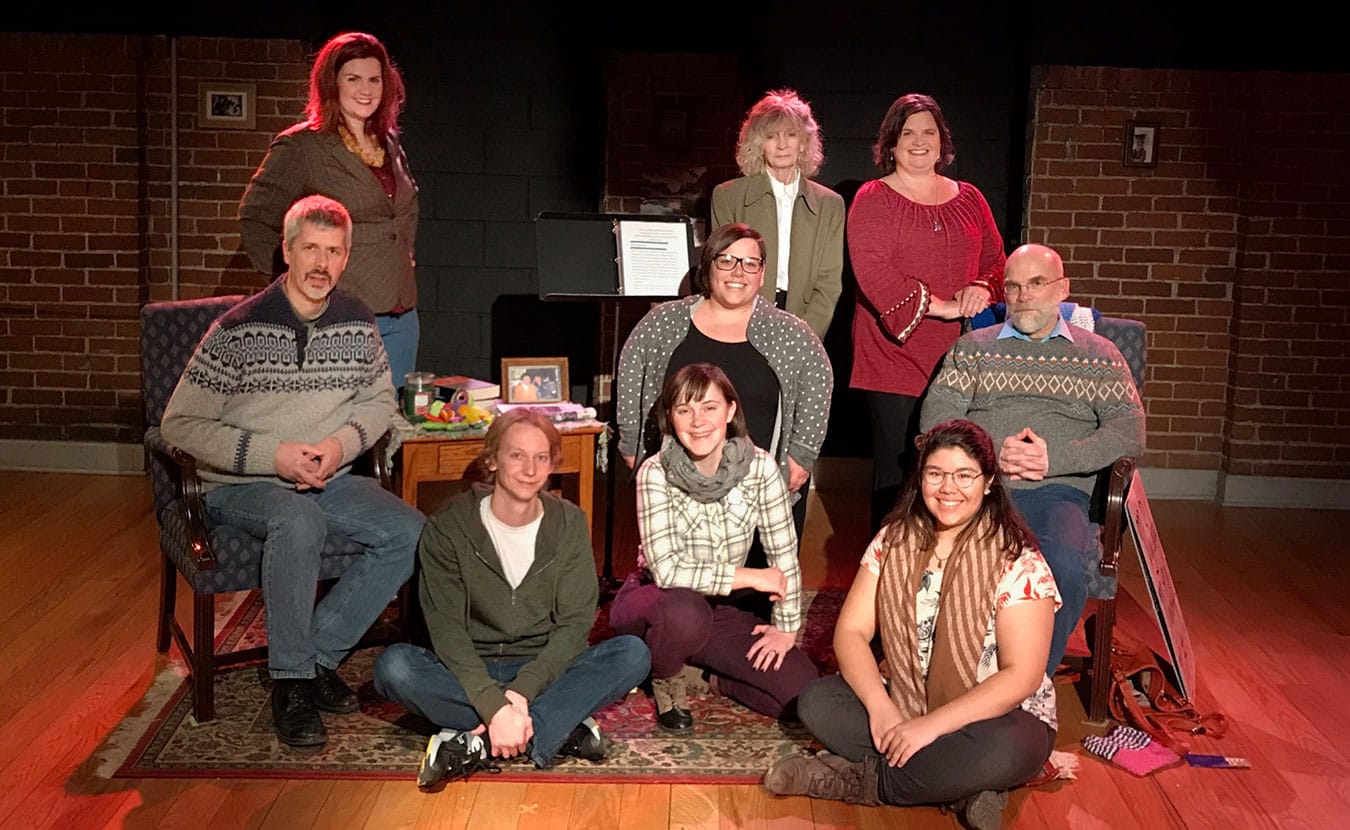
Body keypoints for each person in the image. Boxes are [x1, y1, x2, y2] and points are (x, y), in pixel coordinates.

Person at [161, 195, 424, 748]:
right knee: (298, 519)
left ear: (347, 258)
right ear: (287, 250)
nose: (321, 264)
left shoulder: (356, 320)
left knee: (409, 532)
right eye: (310, 249)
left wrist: (339, 443)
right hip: (240, 485)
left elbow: (380, 402)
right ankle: (290, 684)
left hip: (328, 476)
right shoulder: (238, 329)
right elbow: (178, 424)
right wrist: (271, 455)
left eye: (334, 251)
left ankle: (314, 658)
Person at [763, 420, 1059, 830]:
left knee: (1009, 748)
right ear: (921, 478)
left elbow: (1021, 676)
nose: (948, 488)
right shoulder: (893, 542)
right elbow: (850, 633)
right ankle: (967, 787)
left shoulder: (1018, 560)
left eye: (964, 475)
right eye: (935, 474)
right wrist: (883, 710)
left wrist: (929, 727)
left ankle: (855, 781)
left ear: (989, 482)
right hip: (906, 699)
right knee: (816, 702)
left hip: (997, 718)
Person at [373, 409, 650, 787]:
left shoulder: (567, 523)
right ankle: (553, 727)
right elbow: (447, 630)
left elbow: (574, 626)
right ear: (492, 459)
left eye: (541, 458)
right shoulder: (449, 526)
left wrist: (521, 692)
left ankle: (473, 741)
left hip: (543, 669)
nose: (530, 469)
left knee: (633, 654)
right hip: (468, 668)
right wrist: (494, 704)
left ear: (553, 464)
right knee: (394, 668)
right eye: (516, 455)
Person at [919, 243, 1146, 676]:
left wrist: (1054, 458)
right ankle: (950, 677)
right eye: (1014, 286)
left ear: (1062, 289)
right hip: (978, 489)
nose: (1023, 296)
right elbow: (936, 416)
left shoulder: (1098, 355)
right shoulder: (974, 348)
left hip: (1057, 492)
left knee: (1061, 567)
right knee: (950, 562)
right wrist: (990, 451)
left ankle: (1026, 686)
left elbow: (1130, 432)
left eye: (1036, 284)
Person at [609, 364, 818, 734]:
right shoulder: (655, 473)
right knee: (685, 611)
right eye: (684, 409)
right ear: (670, 418)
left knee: (803, 693)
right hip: (654, 600)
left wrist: (786, 628)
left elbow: (783, 553)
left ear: (730, 411)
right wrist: (751, 576)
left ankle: (704, 677)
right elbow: (667, 570)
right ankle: (665, 678)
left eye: (709, 407)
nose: (698, 421)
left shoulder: (761, 468)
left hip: (716, 608)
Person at [615, 222, 833, 544]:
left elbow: (818, 386)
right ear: (709, 266)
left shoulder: (791, 334)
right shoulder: (663, 323)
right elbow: (632, 377)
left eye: (750, 263)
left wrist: (801, 456)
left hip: (760, 493)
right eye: (726, 260)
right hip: (677, 486)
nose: (738, 272)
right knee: (679, 590)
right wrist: (632, 444)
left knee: (756, 588)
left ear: (762, 273)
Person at [848, 93, 1006, 532]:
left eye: (928, 132)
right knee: (900, 476)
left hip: (961, 359)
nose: (919, 142)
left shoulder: (971, 197)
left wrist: (980, 286)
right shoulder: (873, 198)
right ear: (891, 144)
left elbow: (997, 261)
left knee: (953, 472)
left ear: (942, 142)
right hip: (892, 358)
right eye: (908, 133)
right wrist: (941, 305)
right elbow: (873, 271)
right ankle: (886, 581)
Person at [239, 31, 420, 386]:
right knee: (340, 429)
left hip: (402, 315)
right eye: (353, 79)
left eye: (374, 79)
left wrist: (405, 253)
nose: (365, 89)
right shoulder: (304, 146)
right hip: (339, 314)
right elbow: (255, 218)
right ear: (332, 83)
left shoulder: (389, 143)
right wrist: (295, 286)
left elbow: (400, 213)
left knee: (393, 426)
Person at [711, 89, 845, 341]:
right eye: (771, 136)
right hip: (740, 323)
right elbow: (722, 271)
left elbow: (828, 283)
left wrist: (805, 337)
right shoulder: (727, 196)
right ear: (758, 144)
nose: (782, 145)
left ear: (804, 142)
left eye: (791, 135)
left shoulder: (830, 204)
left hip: (802, 323)